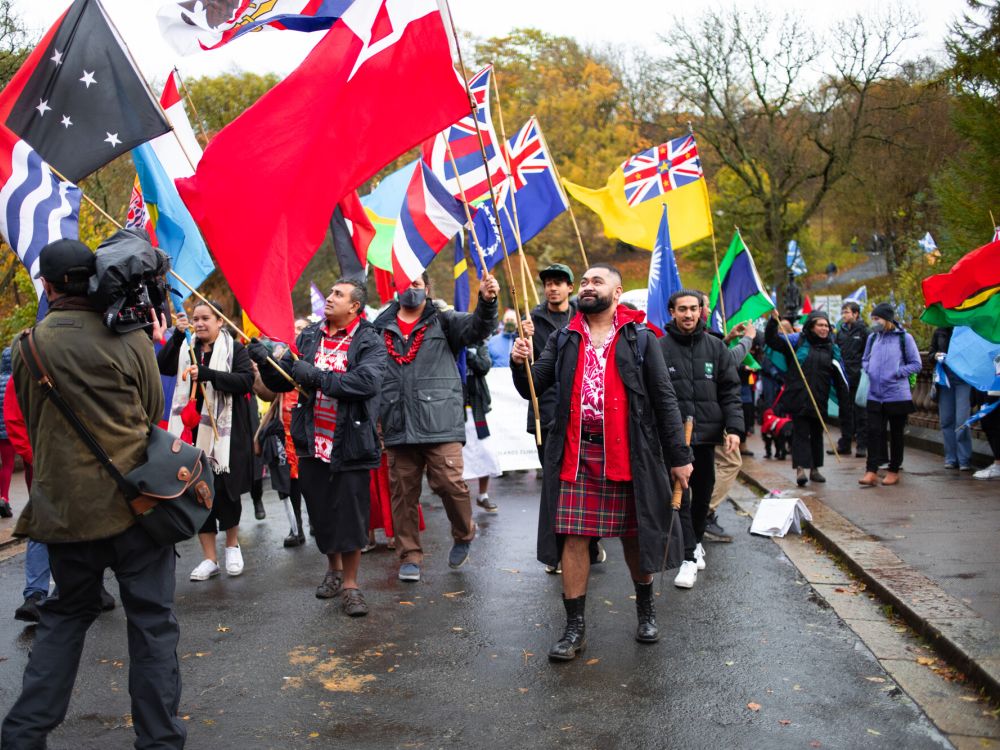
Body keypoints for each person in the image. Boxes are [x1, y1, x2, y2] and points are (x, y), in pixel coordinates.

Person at [2, 239, 184, 748]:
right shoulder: (131, 341)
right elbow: (151, 416)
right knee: (151, 624)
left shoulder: (28, 344)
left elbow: (32, 424)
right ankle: (159, 740)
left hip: (64, 514)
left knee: (64, 618)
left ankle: (22, 735)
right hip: (137, 508)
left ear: (48, 285)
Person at [510, 263, 693, 661]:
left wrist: (679, 457)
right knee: (573, 537)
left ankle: (645, 611)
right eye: (584, 282)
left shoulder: (641, 338)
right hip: (578, 453)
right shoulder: (564, 337)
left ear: (618, 290)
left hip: (630, 454)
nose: (586, 287)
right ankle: (574, 628)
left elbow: (665, 399)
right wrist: (517, 359)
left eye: (597, 281)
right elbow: (532, 387)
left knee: (633, 534)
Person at [252, 278, 387, 616]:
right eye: (330, 292)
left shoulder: (370, 340)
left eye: (337, 294)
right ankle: (334, 571)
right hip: (311, 441)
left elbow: (366, 382)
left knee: (351, 517)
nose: (329, 298)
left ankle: (352, 586)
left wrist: (315, 376)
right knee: (323, 514)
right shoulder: (310, 336)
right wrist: (266, 364)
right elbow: (288, 380)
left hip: (352, 442)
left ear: (354, 306)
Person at [373, 271, 499, 582]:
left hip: (439, 422)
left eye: (417, 284)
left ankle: (464, 532)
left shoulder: (444, 320)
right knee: (403, 495)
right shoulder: (377, 328)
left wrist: (487, 301)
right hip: (397, 424)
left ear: (427, 289)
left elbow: (478, 328)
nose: (411, 289)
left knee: (450, 484)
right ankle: (410, 556)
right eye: (405, 284)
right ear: (395, 289)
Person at [159, 301, 255, 580]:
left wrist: (209, 375)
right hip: (192, 434)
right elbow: (163, 366)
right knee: (198, 494)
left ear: (219, 321)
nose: (199, 324)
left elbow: (245, 381)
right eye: (195, 319)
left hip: (225, 434)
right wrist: (177, 335)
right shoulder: (187, 349)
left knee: (226, 492)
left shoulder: (234, 349)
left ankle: (233, 547)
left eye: (205, 318)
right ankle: (209, 558)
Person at [658, 291, 743, 589]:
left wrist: (734, 429)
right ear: (672, 312)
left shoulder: (716, 347)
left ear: (701, 311)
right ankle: (687, 557)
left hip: (707, 437)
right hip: (675, 439)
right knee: (680, 495)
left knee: (702, 496)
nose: (689, 314)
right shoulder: (659, 348)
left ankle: (695, 541)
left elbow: (731, 391)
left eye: (694, 309)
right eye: (682, 309)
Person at [765, 310, 849, 487]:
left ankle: (815, 469)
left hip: (820, 397)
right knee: (801, 433)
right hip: (799, 396)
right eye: (820, 325)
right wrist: (774, 322)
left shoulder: (832, 348)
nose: (824, 328)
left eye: (826, 325)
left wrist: (844, 402)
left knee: (817, 434)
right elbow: (772, 341)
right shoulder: (797, 341)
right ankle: (800, 469)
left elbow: (840, 375)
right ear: (811, 326)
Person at [859, 303, 922, 486]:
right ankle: (871, 471)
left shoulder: (905, 338)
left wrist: (897, 372)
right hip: (875, 394)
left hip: (896, 394)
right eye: (873, 319)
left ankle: (893, 470)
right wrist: (868, 368)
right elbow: (865, 359)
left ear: (887, 319)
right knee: (873, 432)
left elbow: (916, 364)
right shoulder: (872, 338)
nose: (874, 322)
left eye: (877, 319)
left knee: (896, 434)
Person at [462, 341, 501, 512]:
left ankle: (482, 495)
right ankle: (462, 503)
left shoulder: (479, 346)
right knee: (458, 458)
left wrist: (467, 354)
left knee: (486, 452)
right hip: (457, 410)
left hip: (478, 410)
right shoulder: (451, 345)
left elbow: (484, 366)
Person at [929, 327, 973, 471]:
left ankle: (964, 459)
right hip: (944, 379)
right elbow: (930, 354)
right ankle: (951, 458)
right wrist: (935, 355)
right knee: (946, 420)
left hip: (963, 379)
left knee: (962, 420)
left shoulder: (967, 330)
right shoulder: (940, 331)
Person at [834, 302, 869, 458]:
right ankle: (845, 443)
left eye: (847, 312)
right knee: (845, 412)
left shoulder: (864, 331)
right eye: (843, 312)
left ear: (856, 314)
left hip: (858, 377)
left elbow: (868, 354)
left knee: (860, 412)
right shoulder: (840, 332)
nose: (844, 315)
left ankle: (862, 445)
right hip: (843, 377)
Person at [0, 347, 14, 518]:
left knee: (6, 465)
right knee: (10, 465)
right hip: (11, 429)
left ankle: (3, 496)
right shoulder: (16, 380)